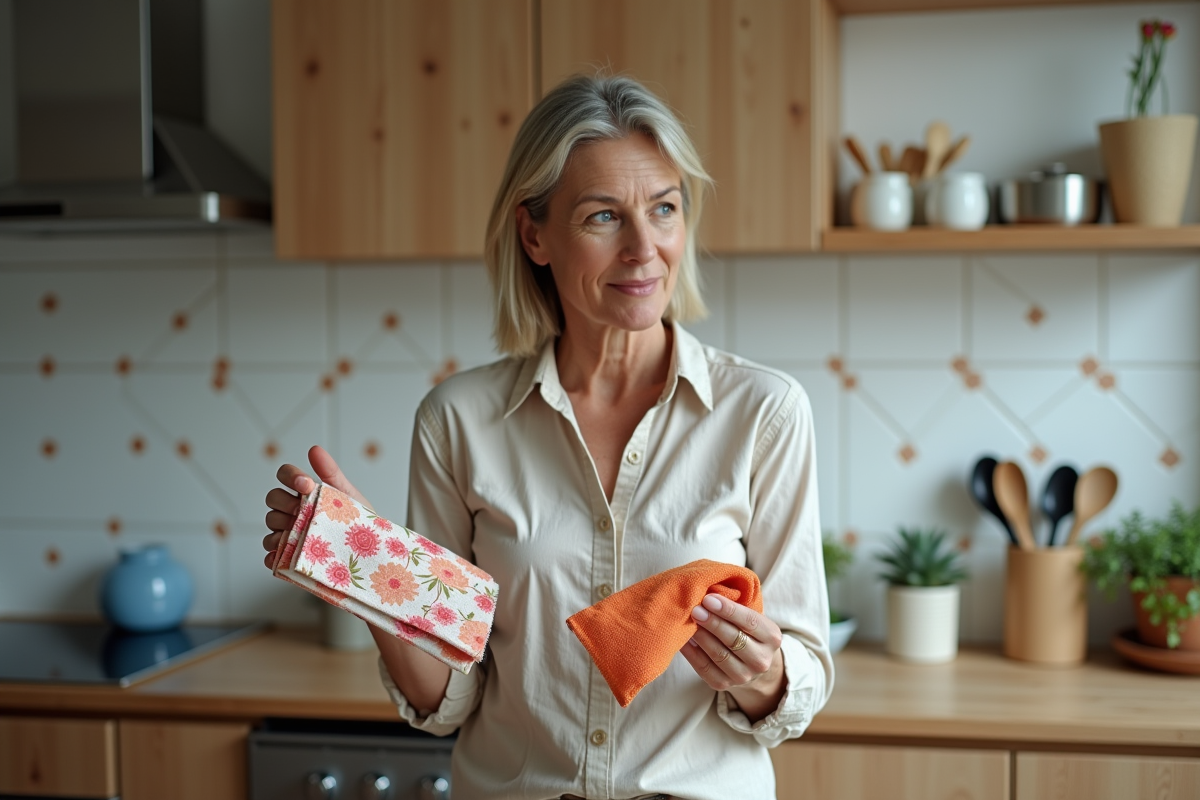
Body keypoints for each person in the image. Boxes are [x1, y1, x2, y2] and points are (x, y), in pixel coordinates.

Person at [263, 73, 833, 800]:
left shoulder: (764, 413)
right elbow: (445, 700)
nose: (644, 249)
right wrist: (366, 570)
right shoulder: (457, 421)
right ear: (535, 235)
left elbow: (802, 674)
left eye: (664, 208)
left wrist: (763, 671)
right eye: (603, 217)